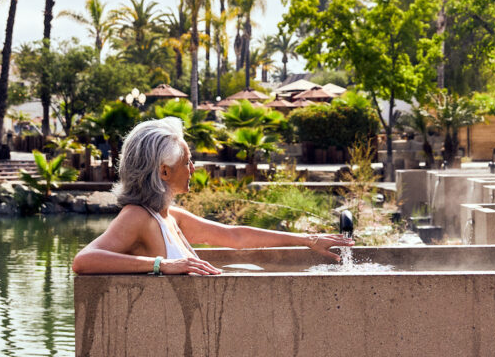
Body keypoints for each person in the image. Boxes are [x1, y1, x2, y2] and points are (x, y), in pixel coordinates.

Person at [71, 117, 353, 275]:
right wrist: (162, 265)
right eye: (187, 162)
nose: (193, 168)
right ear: (165, 172)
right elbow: (84, 260)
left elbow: (234, 236)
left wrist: (308, 240)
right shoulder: (137, 216)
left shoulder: (168, 216)